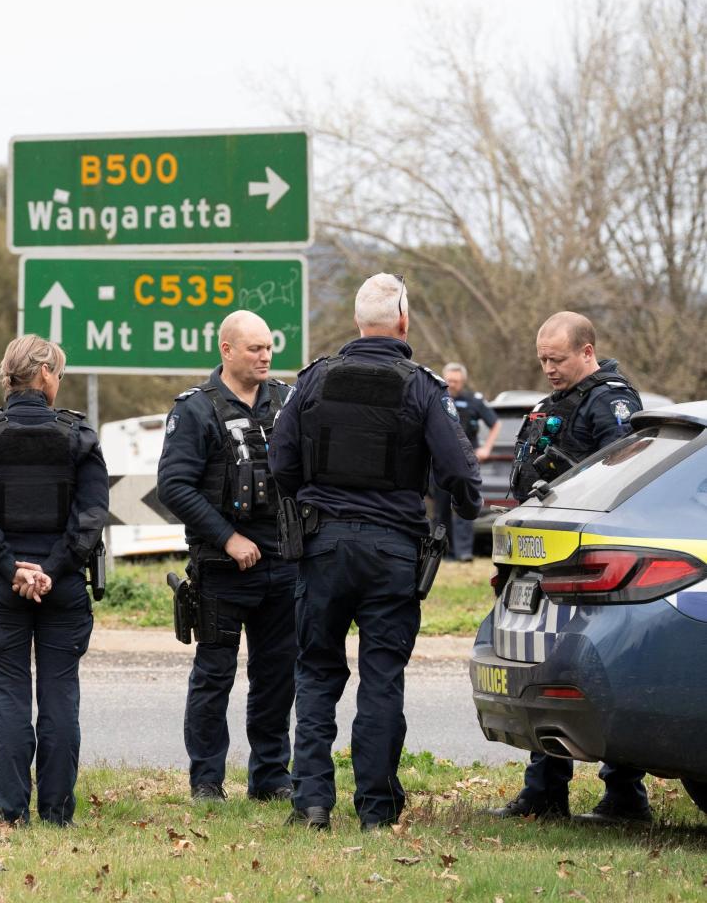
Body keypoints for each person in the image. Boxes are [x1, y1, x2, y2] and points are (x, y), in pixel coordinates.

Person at [269, 274, 482, 831]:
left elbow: (280, 462)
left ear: (357, 322)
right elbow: (460, 471)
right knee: (382, 675)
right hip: (392, 551)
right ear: (403, 321)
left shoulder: (313, 380)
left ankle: (312, 803)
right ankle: (376, 810)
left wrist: (312, 499)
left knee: (316, 672)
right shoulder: (423, 387)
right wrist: (466, 507)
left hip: (323, 545)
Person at [487, 311, 649, 826]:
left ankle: (625, 795)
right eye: (542, 360)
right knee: (544, 673)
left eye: (557, 359)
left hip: (592, 560)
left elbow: (623, 478)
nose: (549, 368)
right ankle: (544, 793)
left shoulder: (612, 402)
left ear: (587, 351)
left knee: (604, 673)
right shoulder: (555, 403)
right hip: (542, 555)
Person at [0, 334, 109, 825]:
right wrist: (53, 569)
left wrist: (11, 568)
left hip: (3, 587)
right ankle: (58, 812)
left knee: (11, 698)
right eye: (58, 373)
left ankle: (9, 811)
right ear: (43, 374)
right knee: (60, 697)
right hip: (62, 587)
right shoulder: (79, 437)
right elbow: (91, 517)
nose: (58, 382)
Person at [157, 310, 298, 804]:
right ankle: (207, 782)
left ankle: (271, 777)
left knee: (277, 677)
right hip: (222, 568)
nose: (265, 356)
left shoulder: (288, 401)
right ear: (227, 350)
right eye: (255, 348)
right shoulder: (196, 409)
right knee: (214, 676)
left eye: (269, 347)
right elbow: (174, 486)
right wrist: (227, 538)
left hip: (283, 562)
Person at [431, 362, 499, 562]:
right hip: (440, 461)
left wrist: (486, 448)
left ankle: (464, 552)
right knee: (441, 509)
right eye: (450, 380)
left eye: (457, 381)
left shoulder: (473, 401)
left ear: (463, 381)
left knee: (466, 505)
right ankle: (446, 553)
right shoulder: (435, 397)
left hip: (465, 462)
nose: (453, 384)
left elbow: (495, 423)